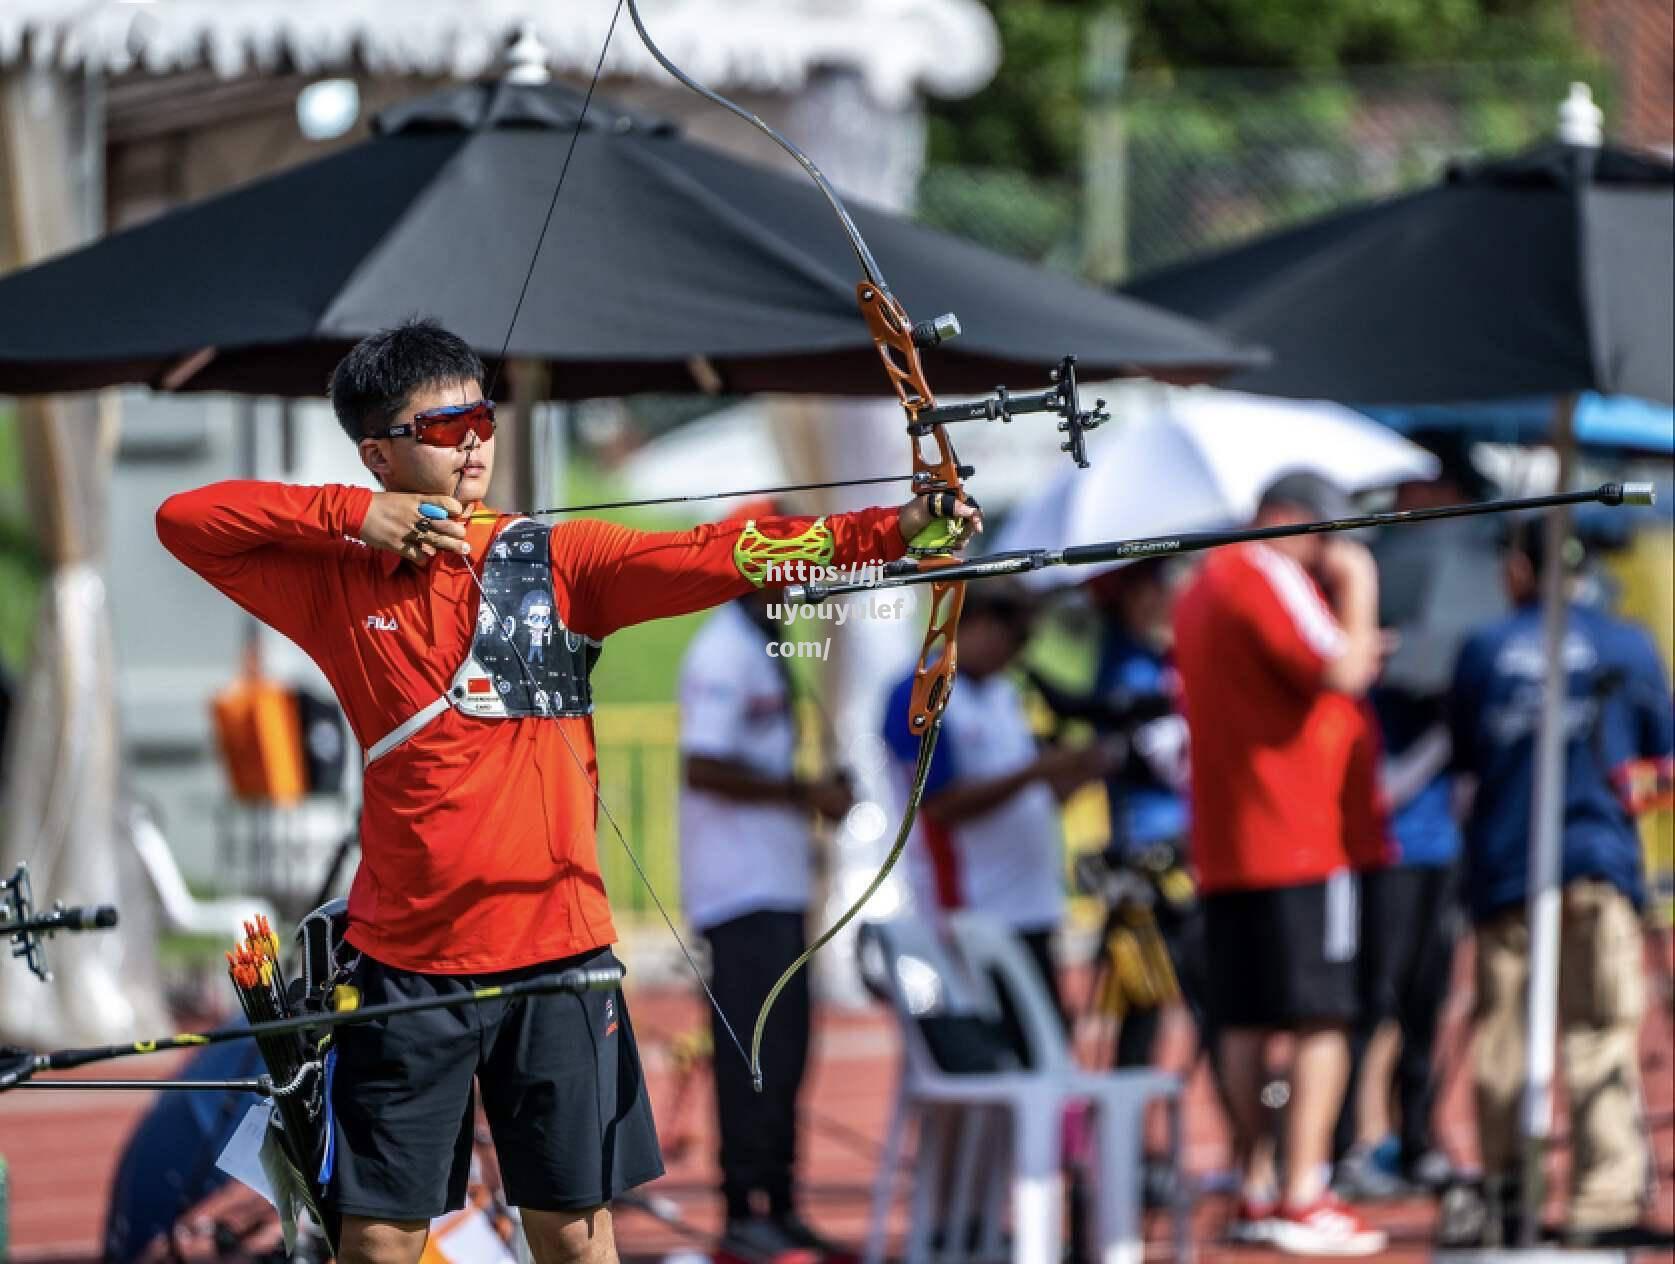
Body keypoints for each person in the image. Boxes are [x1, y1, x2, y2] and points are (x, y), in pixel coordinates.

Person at [155, 317, 978, 1264]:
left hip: (559, 955)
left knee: (576, 1236)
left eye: (481, 416)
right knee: (379, 1239)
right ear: (379, 454)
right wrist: (350, 515)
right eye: (442, 425)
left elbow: (722, 554)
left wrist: (896, 529)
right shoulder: (336, 579)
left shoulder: (556, 561)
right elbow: (185, 519)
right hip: (407, 962)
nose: (472, 440)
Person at [1172, 472, 1389, 1256]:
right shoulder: (1263, 570)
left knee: (1244, 1019)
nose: (1330, 552)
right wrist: (1358, 585)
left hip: (1231, 841)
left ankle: (1256, 1184)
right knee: (1320, 1017)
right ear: (1295, 521)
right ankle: (1302, 1192)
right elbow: (1343, 669)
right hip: (1299, 834)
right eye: (1328, 534)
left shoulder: (1201, 584)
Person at [1450, 519, 1674, 1249]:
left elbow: (1465, 765)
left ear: (1520, 566)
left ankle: (1509, 1188)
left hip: (1508, 864)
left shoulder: (1484, 647)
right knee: (1599, 1032)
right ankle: (1601, 1197)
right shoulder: (1626, 643)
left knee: (1502, 1041)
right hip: (1593, 862)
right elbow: (1659, 764)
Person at [677, 583, 853, 1260]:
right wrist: (803, 791)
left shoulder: (764, 642)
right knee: (749, 1055)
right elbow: (703, 765)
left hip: (773, 884)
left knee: (785, 1055)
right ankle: (740, 1209)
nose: (800, 585)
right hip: (737, 889)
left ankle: (776, 1203)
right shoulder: (723, 650)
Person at [882, 585, 1115, 1022]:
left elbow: (1032, 796)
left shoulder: (1004, 694)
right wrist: (1036, 772)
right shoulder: (921, 691)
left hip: (1030, 906)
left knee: (1041, 1051)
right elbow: (938, 805)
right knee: (991, 1058)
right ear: (980, 625)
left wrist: (1084, 769)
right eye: (1017, 638)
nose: (1020, 653)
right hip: (970, 911)